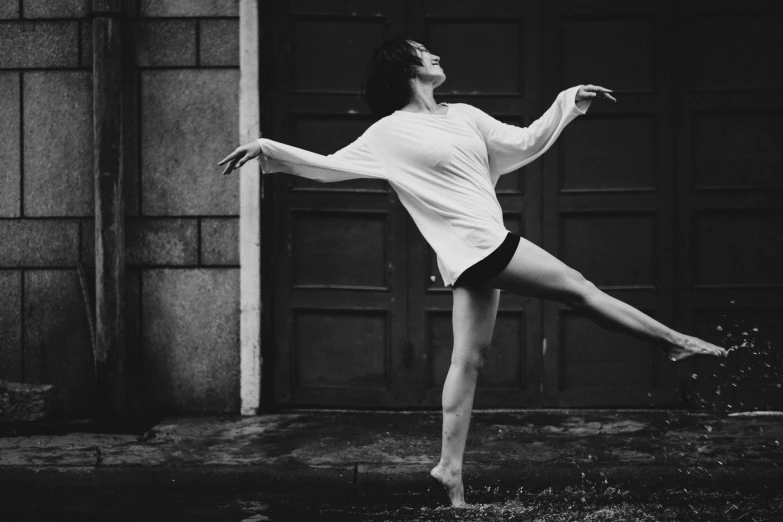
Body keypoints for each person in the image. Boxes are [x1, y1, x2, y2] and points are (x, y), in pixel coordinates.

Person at [219, 37, 728, 508]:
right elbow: (329, 165)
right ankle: (673, 341)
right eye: (423, 52)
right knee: (580, 290)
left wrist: (568, 100)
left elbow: (526, 141)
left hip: (471, 252)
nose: (434, 55)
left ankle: (449, 469)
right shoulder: (388, 132)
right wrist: (267, 147)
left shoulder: (463, 114)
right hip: (480, 246)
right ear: (405, 68)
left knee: (469, 361)